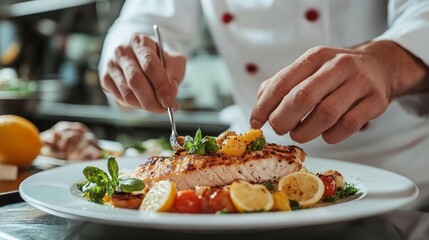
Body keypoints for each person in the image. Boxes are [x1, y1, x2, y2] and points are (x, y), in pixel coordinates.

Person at [98, 0, 429, 208]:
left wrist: (392, 60)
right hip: (249, 156)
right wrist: (129, 52)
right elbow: (147, 18)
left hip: (400, 174)